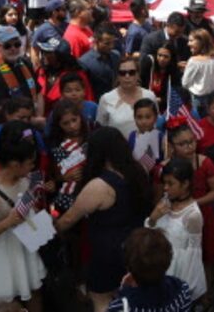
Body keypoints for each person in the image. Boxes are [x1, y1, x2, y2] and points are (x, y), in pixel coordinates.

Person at [55, 127, 152, 312]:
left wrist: (49, 230)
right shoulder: (138, 171)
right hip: (136, 245)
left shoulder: (100, 185)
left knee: (102, 299)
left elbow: (68, 220)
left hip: (108, 253)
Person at [0, 122, 46, 311]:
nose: (32, 167)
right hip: (5, 252)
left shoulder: (25, 179)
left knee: (34, 289)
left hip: (28, 244)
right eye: (30, 163)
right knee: (5, 302)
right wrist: (8, 222)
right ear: (15, 164)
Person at [165, 124, 214, 308]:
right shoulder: (166, 167)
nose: (189, 146)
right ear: (172, 146)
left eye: (191, 142)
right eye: (182, 143)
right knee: (181, 255)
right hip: (175, 217)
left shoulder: (204, 163)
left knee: (207, 255)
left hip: (202, 214)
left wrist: (191, 204)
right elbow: (160, 194)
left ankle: (206, 293)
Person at [145, 158, 207, 302]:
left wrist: (180, 291)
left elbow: (192, 258)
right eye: (164, 183)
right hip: (158, 269)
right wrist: (153, 218)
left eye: (170, 183)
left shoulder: (192, 216)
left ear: (185, 184)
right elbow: (148, 236)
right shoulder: (165, 203)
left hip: (176, 278)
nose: (165, 188)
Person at [105, 227, 193, 312]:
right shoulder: (182, 291)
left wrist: (124, 291)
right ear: (168, 260)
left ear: (128, 266)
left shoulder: (121, 306)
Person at [0, 26, 40, 128]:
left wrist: (37, 116)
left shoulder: (26, 64)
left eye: (17, 44)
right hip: (7, 128)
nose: (13, 49)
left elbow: (38, 93)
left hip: (31, 122)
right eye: (7, 46)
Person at [96, 57, 156, 139]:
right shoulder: (106, 99)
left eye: (131, 72)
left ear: (138, 74)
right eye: (122, 73)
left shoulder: (150, 96)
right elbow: (100, 131)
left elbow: (155, 126)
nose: (127, 76)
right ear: (117, 76)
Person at [182, 28, 214, 115]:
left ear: (201, 42)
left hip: (197, 99)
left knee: (197, 124)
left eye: (191, 41)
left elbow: (185, 83)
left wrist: (186, 70)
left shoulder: (194, 61)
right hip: (213, 95)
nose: (188, 44)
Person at [79, 22, 121, 102]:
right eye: (107, 44)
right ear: (96, 41)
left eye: (113, 42)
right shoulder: (84, 63)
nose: (111, 46)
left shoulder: (116, 56)